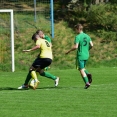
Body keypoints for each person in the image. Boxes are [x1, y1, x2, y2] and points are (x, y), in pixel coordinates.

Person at [65, 23, 93, 89]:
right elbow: (92, 45)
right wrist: (87, 49)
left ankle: (87, 83)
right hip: (86, 54)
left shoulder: (78, 37)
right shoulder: (87, 36)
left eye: (75, 30)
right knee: (82, 68)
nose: (75, 31)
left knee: (81, 70)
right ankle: (88, 74)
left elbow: (76, 47)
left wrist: (68, 51)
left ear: (78, 29)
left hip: (80, 55)